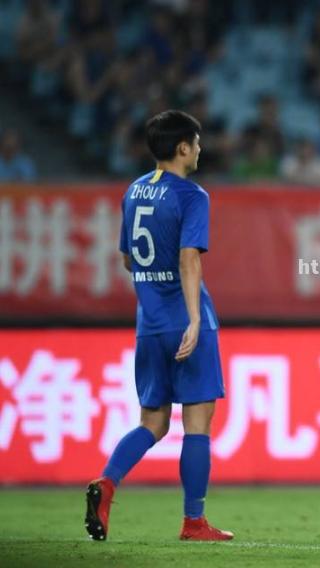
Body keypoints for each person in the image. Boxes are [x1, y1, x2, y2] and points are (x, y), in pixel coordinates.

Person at [84, 110, 232, 542]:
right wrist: (191, 318)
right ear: (183, 147)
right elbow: (189, 258)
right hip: (185, 321)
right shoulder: (191, 196)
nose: (201, 149)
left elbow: (130, 257)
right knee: (198, 421)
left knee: (152, 421)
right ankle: (194, 522)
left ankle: (107, 484)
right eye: (198, 142)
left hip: (148, 323)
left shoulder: (133, 191)